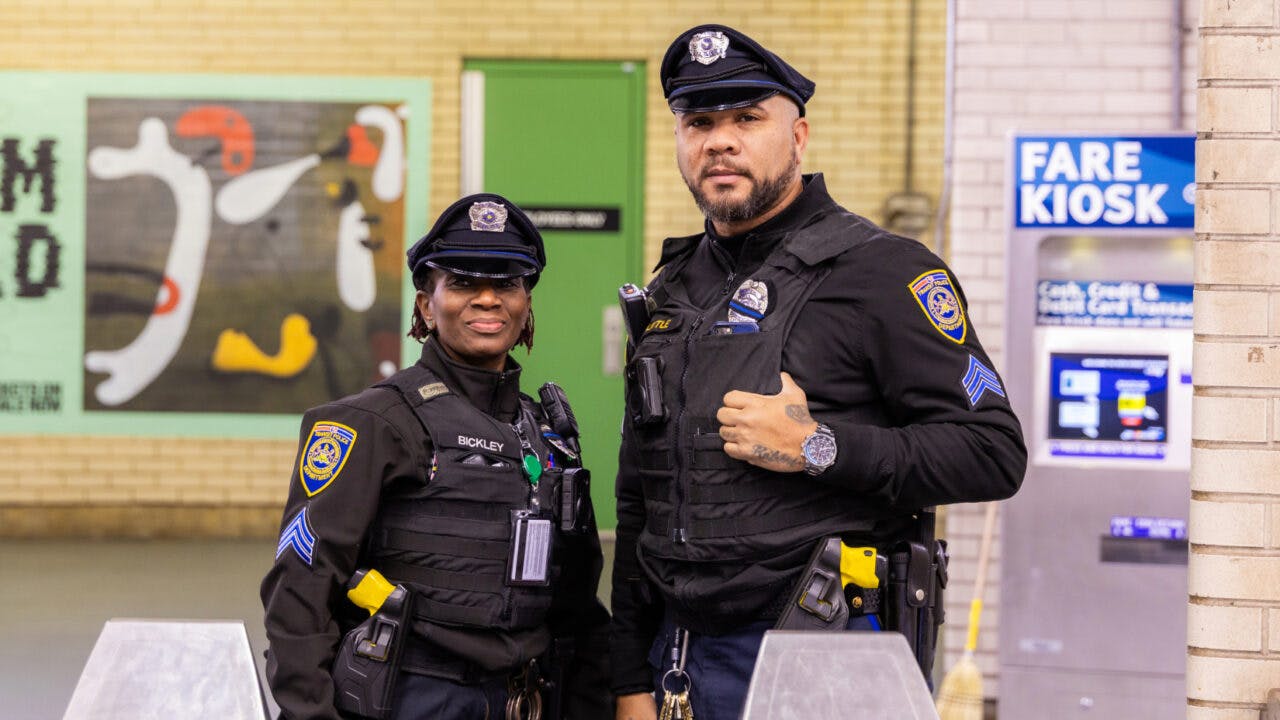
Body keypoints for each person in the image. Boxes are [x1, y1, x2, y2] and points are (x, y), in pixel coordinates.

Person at [611, 24, 1027, 720]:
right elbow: (638, 501)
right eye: (699, 121)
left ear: (797, 137)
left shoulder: (886, 272)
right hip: (678, 661)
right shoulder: (673, 290)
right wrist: (629, 680)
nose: (720, 140)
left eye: (747, 119)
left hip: (826, 655)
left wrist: (818, 446)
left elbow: (992, 450)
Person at [262, 192, 611, 720]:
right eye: (464, 283)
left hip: (529, 698)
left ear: (527, 304)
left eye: (508, 284)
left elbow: (577, 604)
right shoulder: (372, 423)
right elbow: (299, 593)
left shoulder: (547, 433)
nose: (489, 299)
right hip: (414, 697)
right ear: (427, 305)